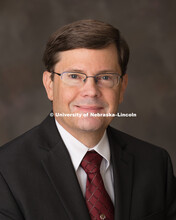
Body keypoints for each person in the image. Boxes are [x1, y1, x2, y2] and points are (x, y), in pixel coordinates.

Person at [0, 19, 175, 220]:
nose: (91, 91)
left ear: (122, 87)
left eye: (106, 77)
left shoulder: (154, 164)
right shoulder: (6, 172)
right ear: (49, 84)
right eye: (74, 76)